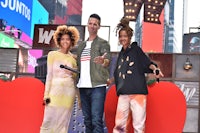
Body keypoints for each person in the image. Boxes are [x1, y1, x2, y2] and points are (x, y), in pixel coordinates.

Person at [107, 17, 164, 133]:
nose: (123, 38)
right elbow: (119, 74)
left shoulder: (136, 49)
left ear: (129, 37)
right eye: (121, 36)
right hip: (124, 93)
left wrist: (155, 69)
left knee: (138, 125)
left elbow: (147, 62)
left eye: (125, 36)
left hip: (137, 93)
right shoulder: (121, 55)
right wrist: (110, 81)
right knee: (119, 125)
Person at [40, 25, 80, 133]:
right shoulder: (52, 54)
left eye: (67, 39)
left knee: (63, 123)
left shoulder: (74, 58)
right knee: (47, 121)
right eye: (62, 39)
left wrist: (72, 72)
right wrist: (46, 94)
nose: (65, 41)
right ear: (58, 40)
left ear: (72, 41)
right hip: (54, 92)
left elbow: (76, 78)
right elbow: (49, 75)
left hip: (69, 93)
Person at [76, 13, 111, 133]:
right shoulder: (81, 46)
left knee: (96, 120)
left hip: (97, 86)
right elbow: (78, 67)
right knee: (87, 121)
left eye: (95, 24)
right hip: (83, 87)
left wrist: (103, 61)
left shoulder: (103, 43)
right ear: (87, 25)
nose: (92, 26)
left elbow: (108, 61)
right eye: (90, 23)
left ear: (99, 26)